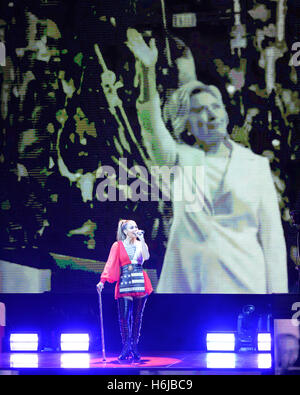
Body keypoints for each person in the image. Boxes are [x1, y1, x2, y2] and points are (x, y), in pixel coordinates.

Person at [125, 28, 288, 294]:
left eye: (215, 107)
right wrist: (147, 71)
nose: (211, 114)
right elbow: (150, 125)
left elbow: (272, 241)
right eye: (199, 111)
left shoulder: (255, 166)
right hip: (189, 291)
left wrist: (278, 307)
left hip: (245, 287)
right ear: (186, 125)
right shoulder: (180, 159)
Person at [96, 219, 153, 361]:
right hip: (125, 282)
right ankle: (126, 346)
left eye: (136, 226)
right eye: (132, 227)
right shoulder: (118, 245)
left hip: (139, 280)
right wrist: (102, 281)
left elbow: (146, 257)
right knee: (124, 317)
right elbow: (110, 263)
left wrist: (143, 239)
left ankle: (134, 346)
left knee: (138, 317)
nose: (135, 229)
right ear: (125, 231)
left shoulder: (140, 244)